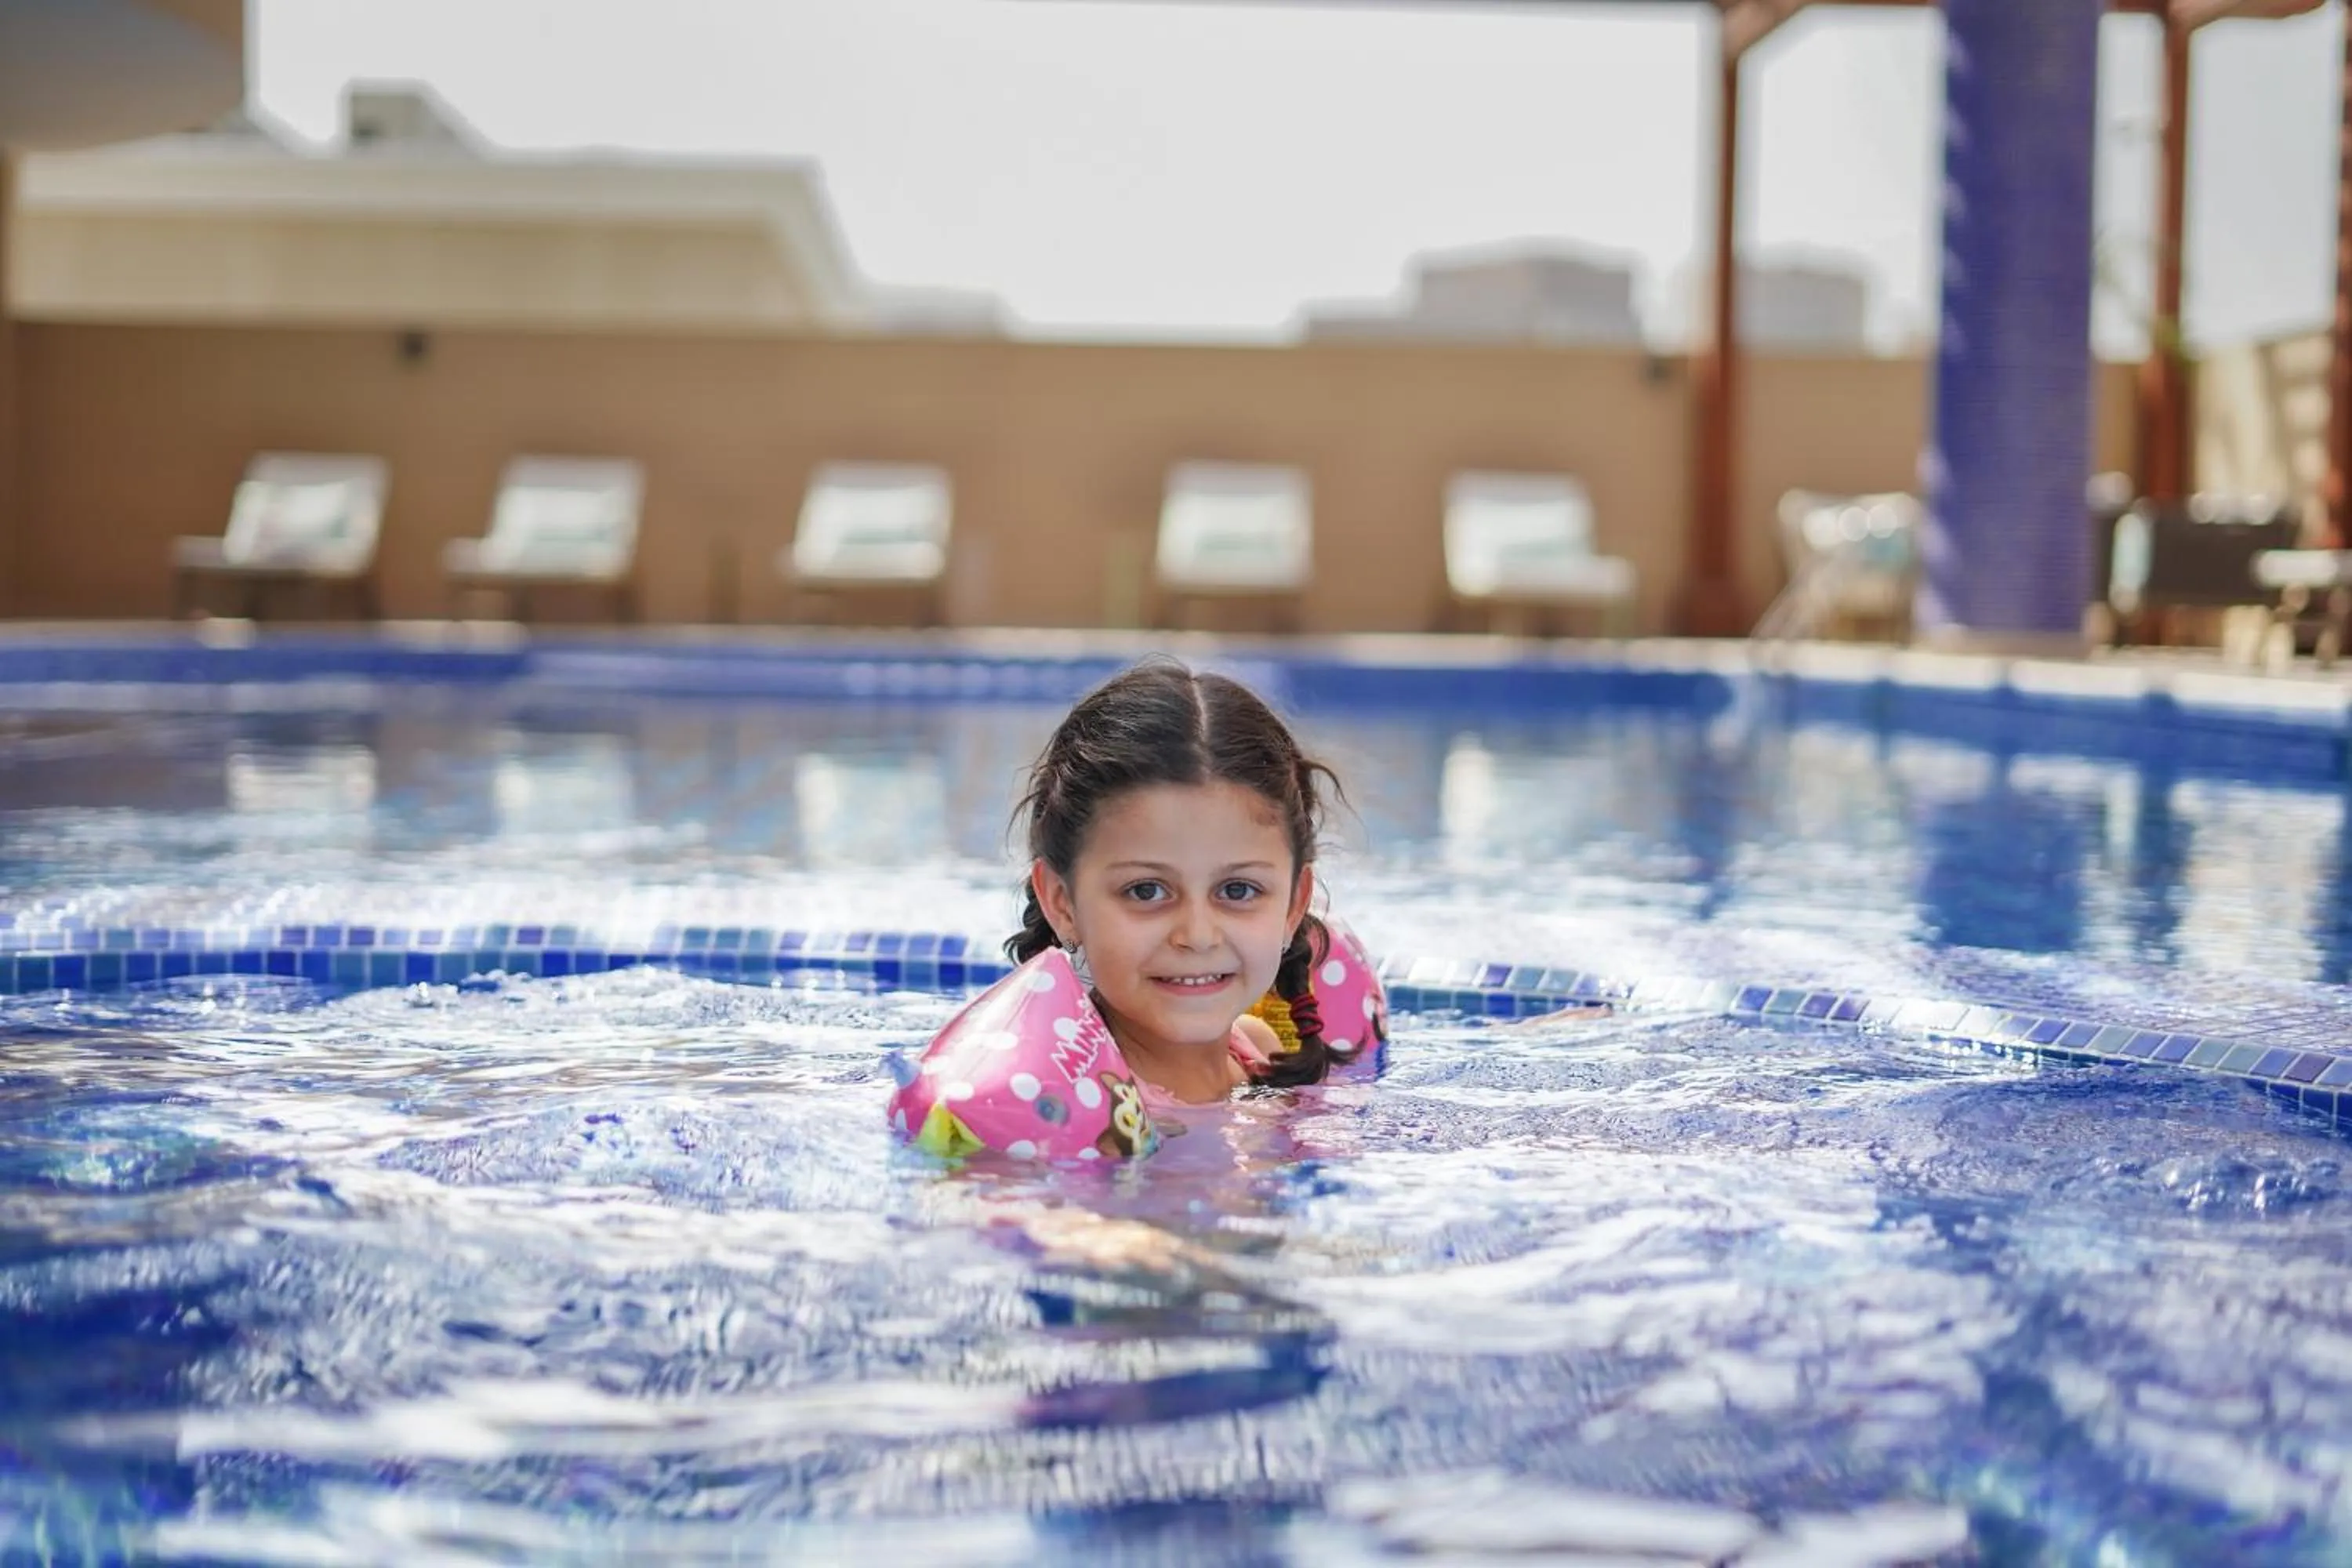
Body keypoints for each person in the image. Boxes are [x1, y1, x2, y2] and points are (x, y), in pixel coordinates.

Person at [1004, 656, 1360, 1109]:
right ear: (1062, 902)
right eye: (1146, 891)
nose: (1196, 935)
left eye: (1237, 890)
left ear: (1294, 906)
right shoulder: (1060, 1106)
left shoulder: (1257, 1051)